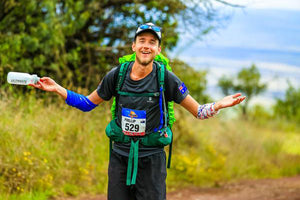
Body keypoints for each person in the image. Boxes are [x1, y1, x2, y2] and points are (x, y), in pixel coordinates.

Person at [30, 22, 246, 200]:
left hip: (152, 160)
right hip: (120, 157)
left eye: (152, 42)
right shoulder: (117, 75)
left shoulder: (166, 79)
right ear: (133, 46)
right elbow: (87, 104)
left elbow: (198, 111)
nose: (146, 46)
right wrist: (57, 88)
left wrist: (218, 105)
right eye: (142, 41)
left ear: (158, 50)